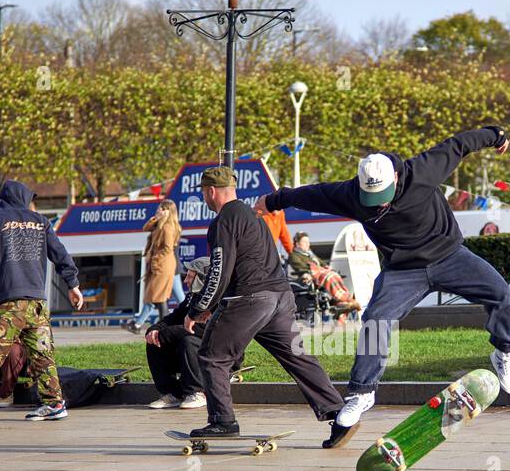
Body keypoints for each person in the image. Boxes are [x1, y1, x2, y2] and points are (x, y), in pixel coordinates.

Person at [255, 126, 510, 433]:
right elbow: (312, 194)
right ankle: (361, 393)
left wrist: (496, 136)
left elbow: (459, 144)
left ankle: (505, 351)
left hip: (449, 256)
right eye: (372, 198)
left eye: (382, 196)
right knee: (376, 319)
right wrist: (272, 201)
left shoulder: (423, 171)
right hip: (403, 271)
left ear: (395, 177)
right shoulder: (351, 195)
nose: (378, 203)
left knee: (500, 292)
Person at [185, 166, 351, 447]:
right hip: (280, 297)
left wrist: (197, 308)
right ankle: (339, 414)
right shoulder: (255, 218)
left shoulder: (225, 219)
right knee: (297, 358)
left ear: (211, 191)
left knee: (213, 356)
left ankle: (222, 421)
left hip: (250, 299)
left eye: (203, 192)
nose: (204, 197)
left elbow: (220, 270)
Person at [0, 180, 84, 424]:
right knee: (43, 355)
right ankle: (54, 403)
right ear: (24, 198)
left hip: (7, 302)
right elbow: (60, 254)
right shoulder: (41, 222)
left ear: (3, 198)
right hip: (36, 302)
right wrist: (73, 285)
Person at [144, 257, 211, 410]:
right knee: (154, 343)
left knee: (188, 341)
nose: (185, 280)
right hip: (192, 353)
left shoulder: (216, 300)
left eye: (190, 276)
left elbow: (202, 329)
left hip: (217, 352)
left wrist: (165, 334)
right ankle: (172, 393)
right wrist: (154, 330)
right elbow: (171, 318)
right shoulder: (191, 297)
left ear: (202, 278)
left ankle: (197, 393)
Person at [129, 199, 181, 333]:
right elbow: (145, 228)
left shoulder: (167, 227)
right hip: (160, 265)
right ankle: (161, 324)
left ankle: (163, 325)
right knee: (157, 296)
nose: (159, 210)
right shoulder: (159, 224)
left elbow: (167, 248)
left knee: (158, 296)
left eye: (162, 209)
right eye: (159, 208)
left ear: (169, 212)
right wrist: (155, 218)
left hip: (163, 265)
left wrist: (154, 257)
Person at [288, 232, 360, 314]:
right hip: (308, 277)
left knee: (334, 275)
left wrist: (327, 268)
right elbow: (300, 268)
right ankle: (346, 300)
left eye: (308, 242)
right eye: (304, 242)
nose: (308, 244)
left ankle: (343, 302)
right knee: (329, 277)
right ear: (297, 244)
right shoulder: (294, 255)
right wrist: (315, 271)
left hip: (319, 275)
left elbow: (322, 264)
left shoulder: (310, 255)